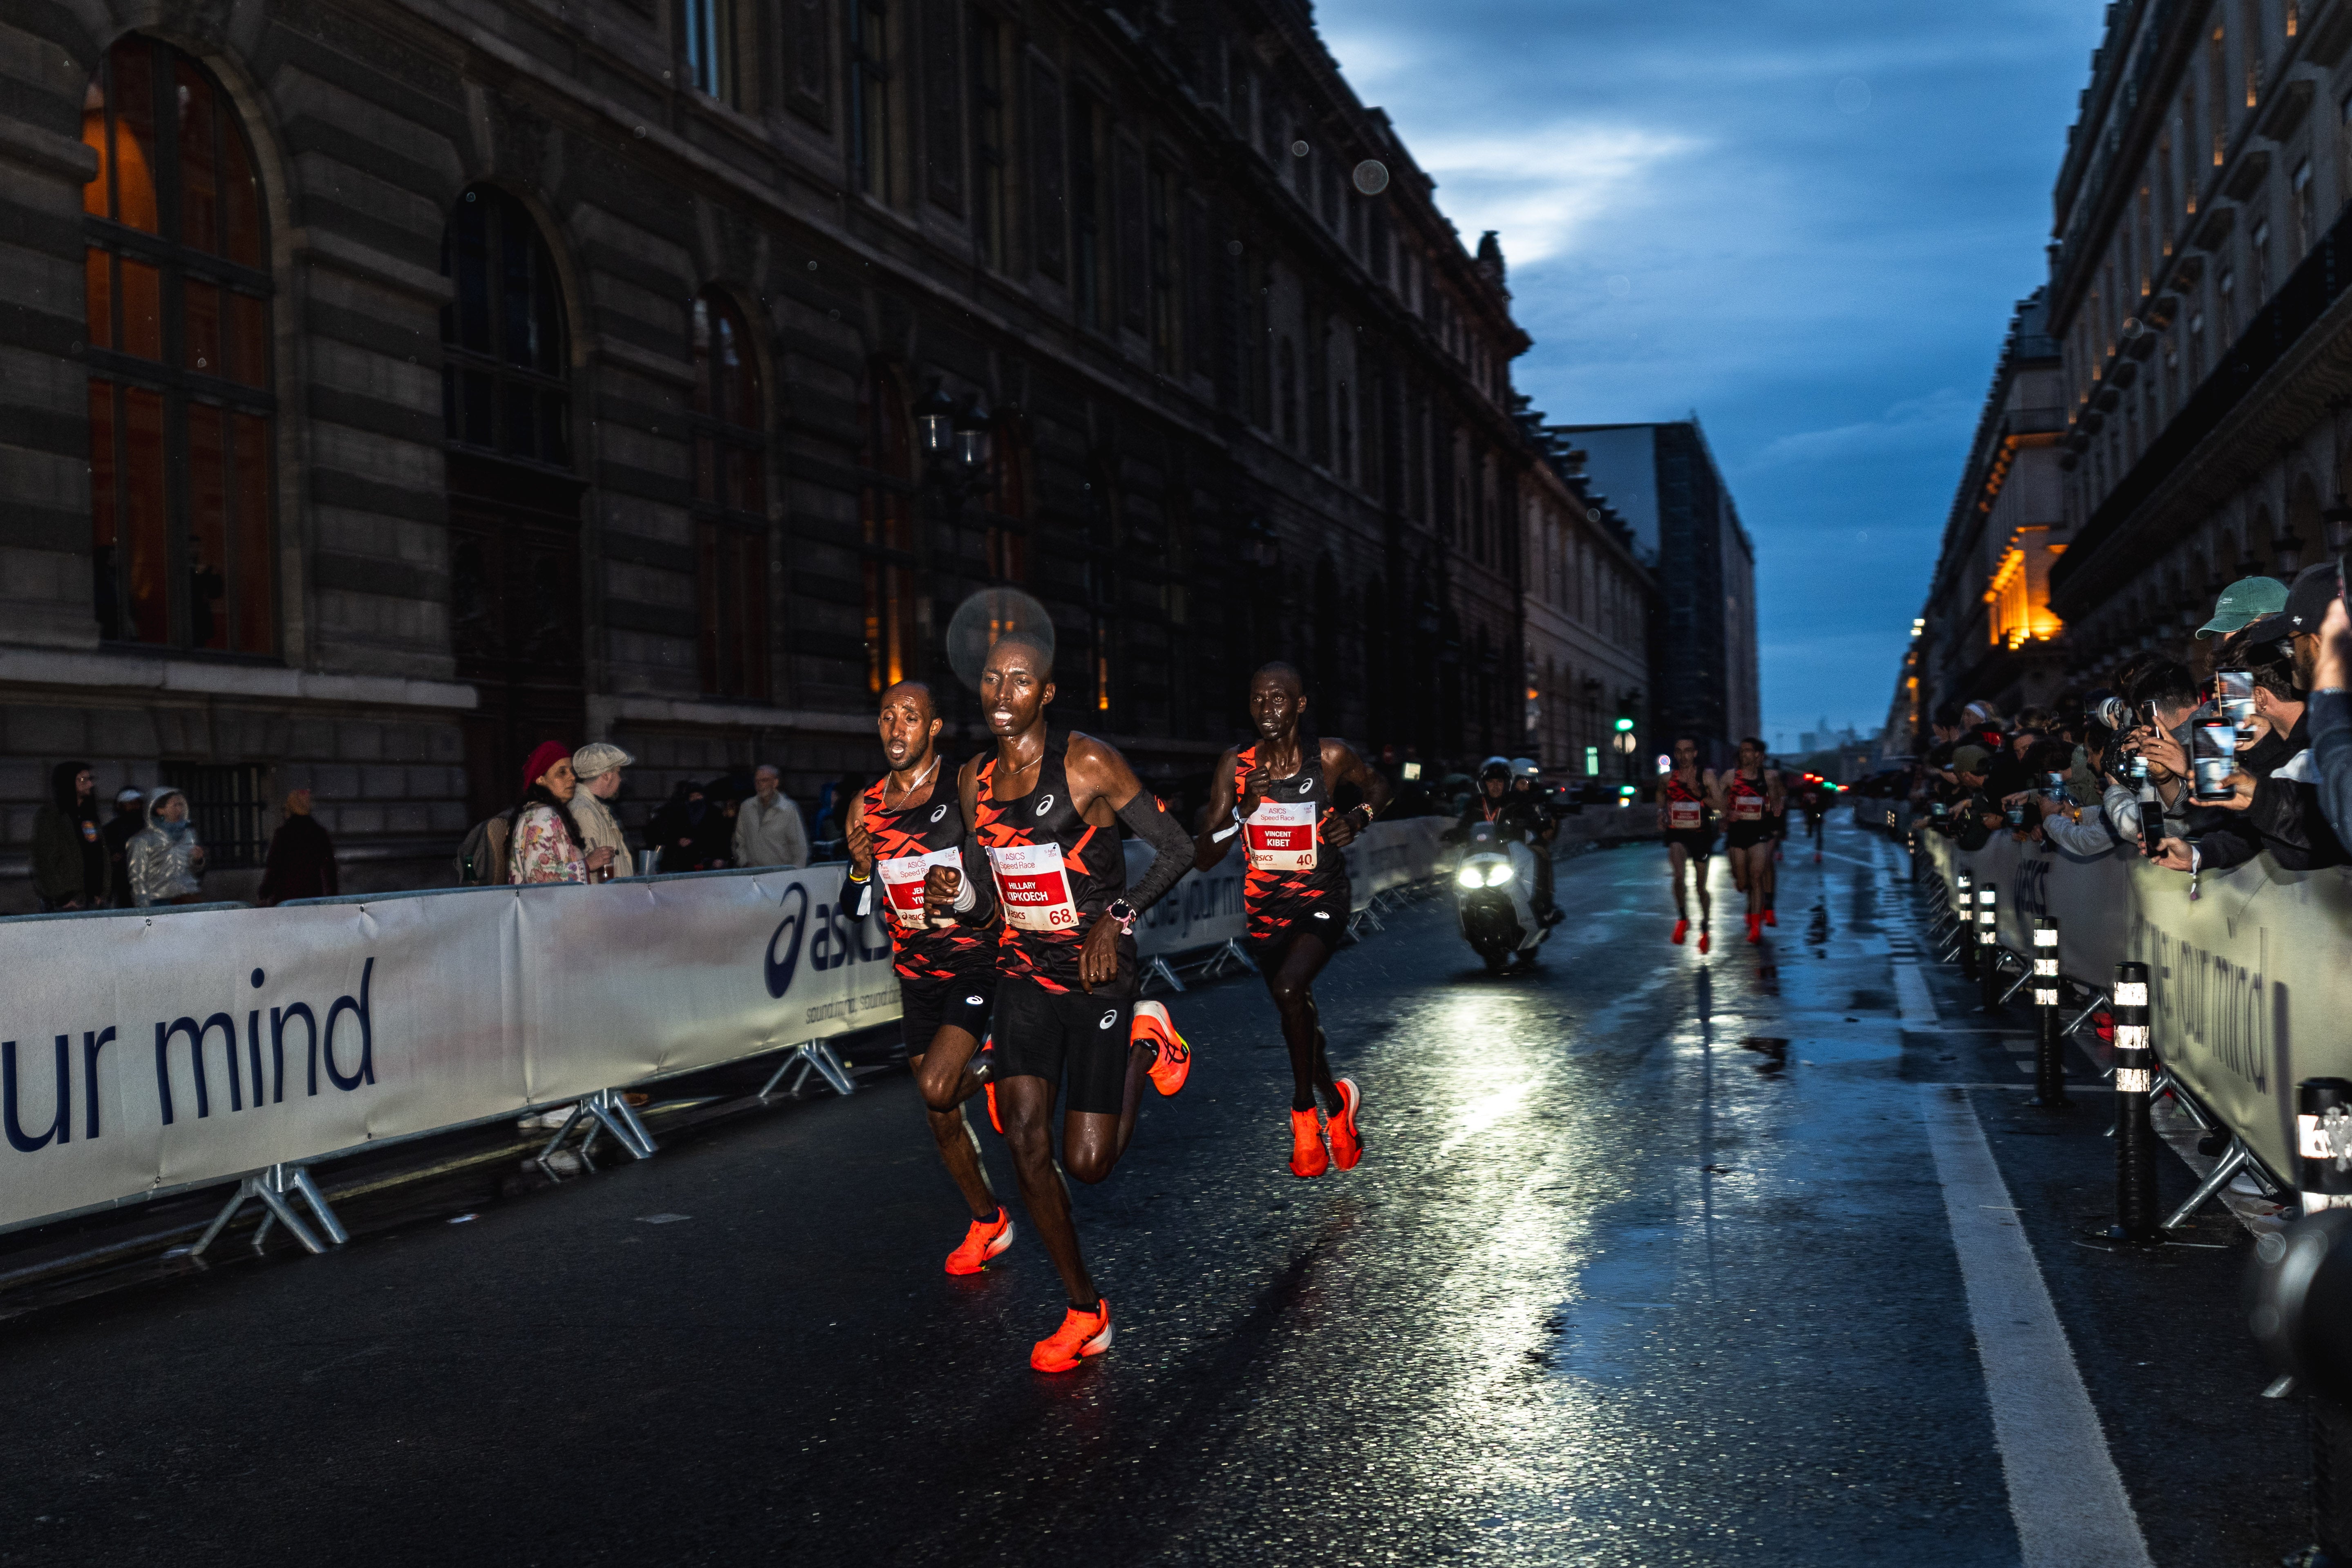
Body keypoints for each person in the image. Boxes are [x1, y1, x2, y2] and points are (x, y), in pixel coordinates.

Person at [920, 631, 1196, 1373]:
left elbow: (1177, 847)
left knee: (1091, 1164)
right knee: (1028, 1144)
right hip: (1024, 971)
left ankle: (1147, 1039)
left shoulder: (1087, 762)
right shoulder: (975, 779)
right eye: (990, 679)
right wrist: (959, 894)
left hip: (1099, 973)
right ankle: (1084, 1309)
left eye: (1019, 682)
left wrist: (1120, 916)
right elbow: (987, 905)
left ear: (1045, 693)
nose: (1001, 695)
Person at [845, 681, 1019, 1274]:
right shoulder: (865, 804)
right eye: (887, 717)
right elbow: (853, 910)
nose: (896, 728)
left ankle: (1003, 1060)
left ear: (934, 728)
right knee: (940, 1117)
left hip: (972, 961)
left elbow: (999, 862)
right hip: (914, 974)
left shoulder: (963, 786)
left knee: (938, 1086)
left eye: (910, 717)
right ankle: (987, 1220)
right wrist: (857, 872)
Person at [1192, 661, 1389, 1179]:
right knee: (1295, 1010)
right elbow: (1205, 854)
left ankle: (1304, 1113)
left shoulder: (1329, 757)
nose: (1267, 710)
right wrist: (1242, 809)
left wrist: (1358, 818)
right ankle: (1336, 1103)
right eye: (1257, 700)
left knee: (1287, 990)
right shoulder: (1235, 766)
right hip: (1265, 910)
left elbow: (1379, 786)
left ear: (1300, 705)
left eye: (1278, 699)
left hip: (1323, 897)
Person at [508, 741, 610, 886]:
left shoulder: (542, 813)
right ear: (541, 780)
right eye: (562, 772)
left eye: (571, 771)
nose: (572, 777)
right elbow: (538, 877)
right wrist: (588, 864)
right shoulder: (542, 817)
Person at [1714, 737, 1783, 944]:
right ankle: (1742, 884)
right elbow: (1714, 799)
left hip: (1760, 833)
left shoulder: (1770, 777)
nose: (1745, 754)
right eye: (1742, 751)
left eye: (1749, 751)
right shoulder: (1729, 777)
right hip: (1737, 835)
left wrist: (1772, 808)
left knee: (1756, 876)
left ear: (1758, 755)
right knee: (1743, 881)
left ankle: (1756, 928)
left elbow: (1778, 804)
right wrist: (1726, 814)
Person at [1656, 736, 1717, 951]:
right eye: (1679, 751)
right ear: (1675, 754)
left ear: (1695, 753)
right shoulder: (1667, 778)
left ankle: (1705, 927)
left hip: (1701, 835)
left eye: (1688, 751)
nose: (1683, 756)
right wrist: (1661, 813)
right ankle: (1682, 918)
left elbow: (1721, 806)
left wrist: (1699, 793)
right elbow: (1660, 795)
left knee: (1701, 888)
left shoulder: (1706, 776)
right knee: (1679, 876)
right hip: (1677, 833)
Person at [31, 761, 111, 911]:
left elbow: (102, 854)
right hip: (69, 902)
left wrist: (104, 892)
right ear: (68, 782)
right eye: (83, 780)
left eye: (90, 780)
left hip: (93, 901)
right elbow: (44, 860)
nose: (90, 784)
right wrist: (62, 898)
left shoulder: (89, 815)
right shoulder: (52, 816)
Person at [256, 789, 339, 905]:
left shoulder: (283, 834)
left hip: (287, 896)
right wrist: (333, 896)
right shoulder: (319, 833)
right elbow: (330, 868)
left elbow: (274, 868)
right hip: (313, 895)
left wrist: (264, 893)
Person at [128, 787, 206, 906]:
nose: (180, 809)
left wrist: (198, 860)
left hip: (188, 897)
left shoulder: (189, 834)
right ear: (160, 810)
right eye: (175, 805)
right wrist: (144, 908)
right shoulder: (143, 840)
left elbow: (195, 871)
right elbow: (137, 877)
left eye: (181, 804)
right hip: (159, 900)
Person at [569, 742, 636, 880]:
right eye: (618, 772)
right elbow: (593, 872)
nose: (621, 779)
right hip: (605, 899)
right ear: (606, 776)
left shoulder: (595, 807)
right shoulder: (584, 811)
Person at [733, 764, 808, 869]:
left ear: (775, 783)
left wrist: (795, 875)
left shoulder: (788, 809)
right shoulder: (747, 807)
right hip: (753, 875)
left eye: (765, 780)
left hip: (780, 874)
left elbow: (799, 848)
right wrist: (744, 863)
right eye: (757, 781)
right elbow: (739, 841)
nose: (760, 785)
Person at [102, 787, 144, 908]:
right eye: (130, 804)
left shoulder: (148, 828)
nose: (135, 807)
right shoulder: (110, 830)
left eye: (137, 803)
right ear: (120, 806)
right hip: (121, 885)